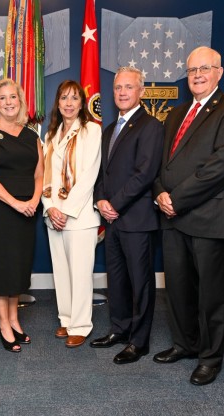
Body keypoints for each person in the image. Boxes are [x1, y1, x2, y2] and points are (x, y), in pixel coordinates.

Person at [153, 46, 224, 385]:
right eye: (192, 69)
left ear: (219, 72)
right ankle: (185, 344)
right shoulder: (176, 114)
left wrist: (176, 197)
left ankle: (210, 358)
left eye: (205, 68)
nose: (197, 74)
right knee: (177, 289)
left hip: (208, 217)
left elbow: (221, 167)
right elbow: (161, 163)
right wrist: (159, 193)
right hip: (172, 217)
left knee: (210, 294)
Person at [91, 67, 164, 364]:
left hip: (137, 219)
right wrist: (100, 200)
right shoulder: (109, 129)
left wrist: (114, 204)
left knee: (140, 282)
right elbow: (102, 173)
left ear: (141, 91)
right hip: (112, 219)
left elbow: (144, 173)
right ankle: (119, 330)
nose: (122, 92)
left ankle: (139, 340)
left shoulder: (151, 126)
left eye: (128, 87)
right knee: (117, 279)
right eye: (118, 87)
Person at [0, 79, 44, 353]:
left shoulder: (31, 135)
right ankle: (3, 323)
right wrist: (15, 202)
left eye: (12, 97)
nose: (8, 102)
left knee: (18, 266)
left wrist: (35, 200)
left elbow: (39, 174)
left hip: (27, 210)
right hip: (0, 210)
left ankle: (15, 319)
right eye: (2, 98)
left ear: (20, 101)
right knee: (1, 267)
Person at [41, 81, 102, 348]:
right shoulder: (50, 134)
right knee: (62, 271)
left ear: (82, 103)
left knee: (79, 272)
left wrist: (65, 210)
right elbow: (46, 176)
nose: (68, 103)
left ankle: (81, 325)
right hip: (54, 214)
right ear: (58, 102)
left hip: (80, 216)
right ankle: (66, 319)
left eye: (74, 98)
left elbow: (89, 176)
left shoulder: (92, 131)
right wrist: (50, 208)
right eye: (63, 97)